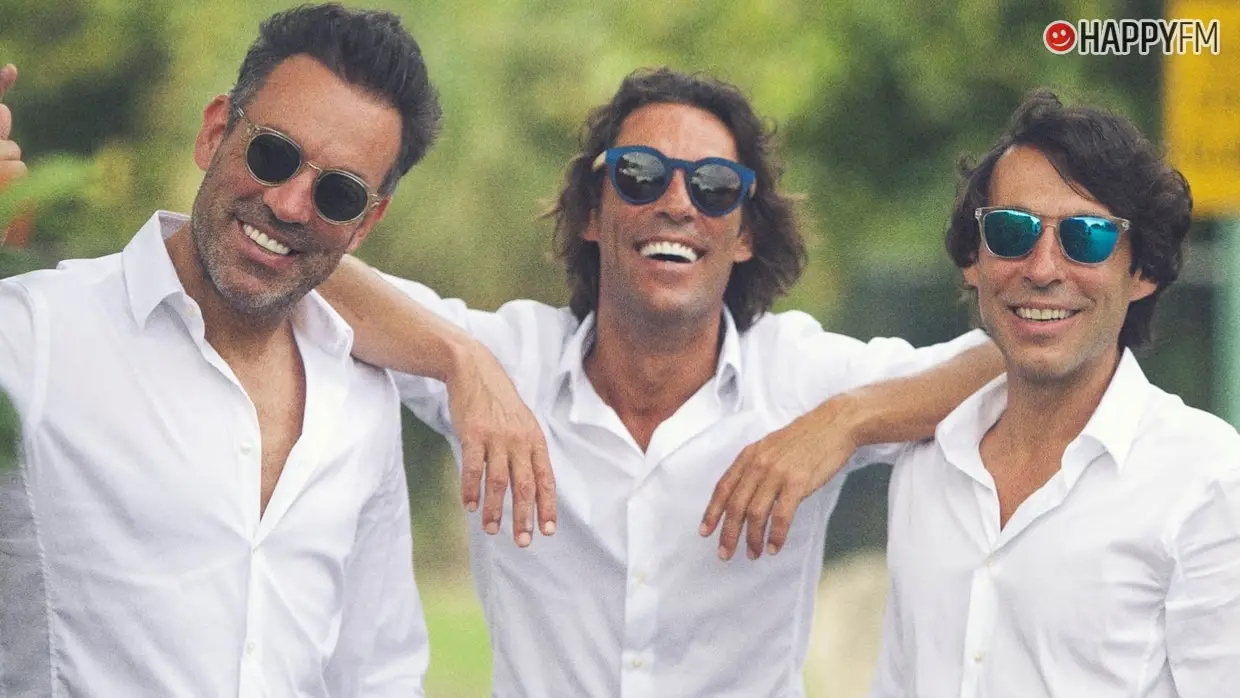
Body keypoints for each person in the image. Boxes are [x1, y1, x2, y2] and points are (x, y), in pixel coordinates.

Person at [318, 67, 1004, 697]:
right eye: (640, 175)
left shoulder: (802, 378)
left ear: (744, 234)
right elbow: (311, 265)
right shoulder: (508, 360)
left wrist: (846, 421)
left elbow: (1016, 357)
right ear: (592, 214)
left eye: (714, 187)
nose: (677, 203)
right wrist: (458, 361)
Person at [0, 6, 554, 696]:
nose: (290, 205)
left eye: (338, 193)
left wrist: (461, 357)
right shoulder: (35, 335)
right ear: (214, 132)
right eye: (273, 154)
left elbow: (376, 672)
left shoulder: (359, 396)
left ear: (366, 223)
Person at [869, 90, 1240, 697]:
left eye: (1087, 237)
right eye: (1011, 231)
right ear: (973, 261)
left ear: (1142, 271)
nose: (1042, 268)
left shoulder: (1208, 480)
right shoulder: (927, 464)